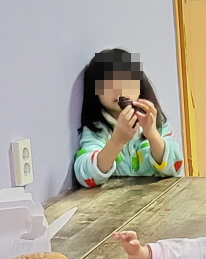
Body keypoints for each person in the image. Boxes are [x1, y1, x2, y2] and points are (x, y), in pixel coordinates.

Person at [74, 48, 184, 187]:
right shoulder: (96, 130)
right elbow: (85, 176)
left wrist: (152, 134)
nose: (119, 90)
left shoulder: (153, 119)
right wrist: (117, 141)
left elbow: (174, 167)